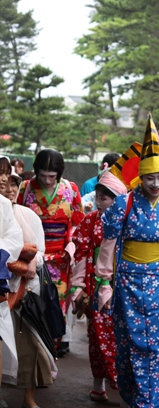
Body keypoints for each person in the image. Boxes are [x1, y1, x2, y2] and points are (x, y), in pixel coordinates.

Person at [94, 114, 159, 408]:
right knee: (128, 346)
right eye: (151, 178)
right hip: (126, 284)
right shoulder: (123, 204)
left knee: (158, 348)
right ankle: (134, 397)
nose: (157, 183)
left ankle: (153, 403)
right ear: (141, 177)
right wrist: (104, 286)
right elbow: (108, 245)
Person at [17, 149, 84, 357]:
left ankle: (54, 345)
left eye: (52, 176)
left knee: (58, 301)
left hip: (59, 258)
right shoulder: (25, 187)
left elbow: (78, 221)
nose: (47, 180)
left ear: (60, 173)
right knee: (32, 298)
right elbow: (16, 217)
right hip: (32, 253)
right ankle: (34, 344)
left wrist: (72, 247)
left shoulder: (71, 189)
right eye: (42, 175)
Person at [70, 169, 127, 402]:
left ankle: (121, 385)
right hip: (96, 285)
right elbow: (81, 254)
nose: (99, 202)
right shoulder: (88, 221)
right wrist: (77, 286)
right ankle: (100, 385)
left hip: (123, 285)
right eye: (98, 197)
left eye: (104, 198)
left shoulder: (128, 221)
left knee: (120, 337)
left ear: (117, 199)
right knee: (97, 337)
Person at [5, 167, 56, 408]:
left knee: (29, 346)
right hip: (2, 288)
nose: (10, 189)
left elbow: (41, 251)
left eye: (14, 184)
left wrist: (28, 264)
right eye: (5, 184)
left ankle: (29, 397)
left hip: (26, 290)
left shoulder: (29, 215)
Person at [0, 156, 23, 408]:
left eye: (6, 173)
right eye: (0, 172)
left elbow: (14, 239)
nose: (4, 178)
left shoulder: (3, 206)